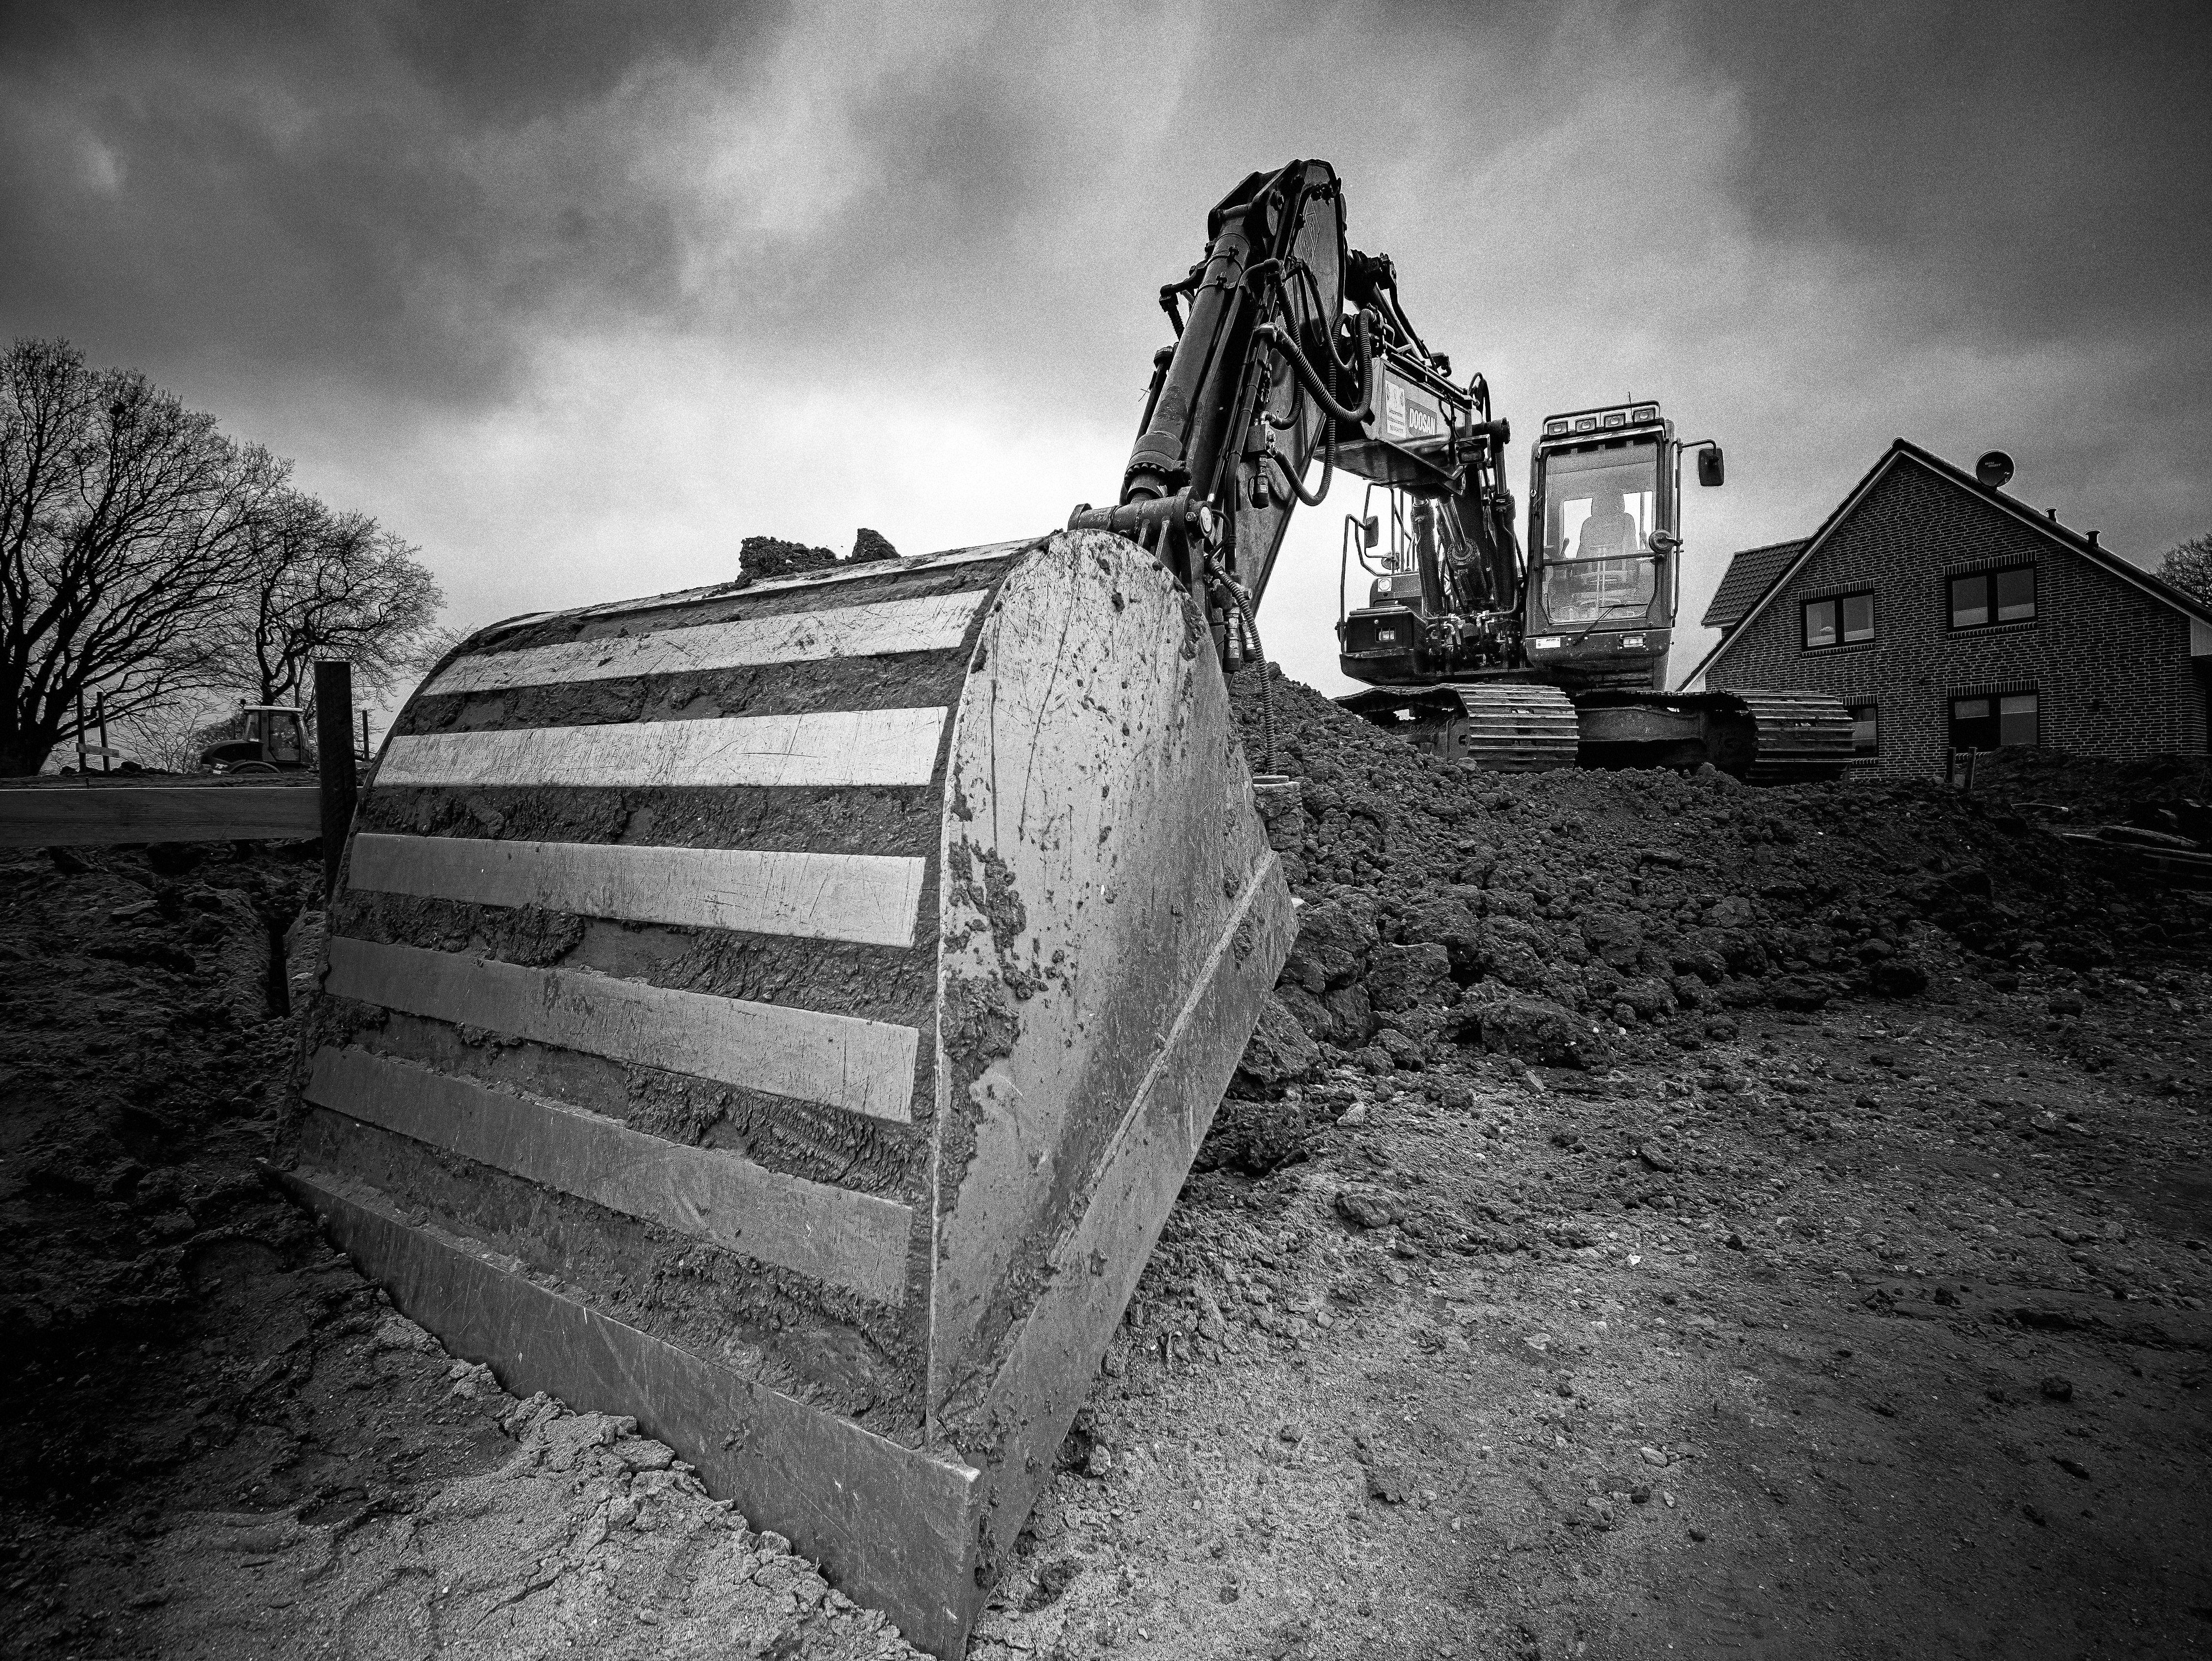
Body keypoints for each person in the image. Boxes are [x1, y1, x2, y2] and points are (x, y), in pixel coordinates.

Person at [1572, 490, 1639, 561]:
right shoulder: (1589, 524)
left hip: (1623, 568)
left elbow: (1631, 553)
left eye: (1611, 500)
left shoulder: (1626, 520)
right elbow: (1582, 557)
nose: (1607, 503)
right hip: (1590, 571)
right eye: (1602, 501)